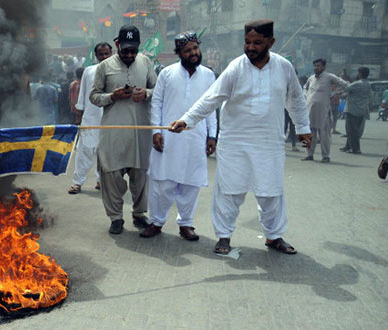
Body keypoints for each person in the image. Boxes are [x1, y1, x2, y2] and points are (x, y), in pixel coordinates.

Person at [170, 19, 312, 255]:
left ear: (271, 42)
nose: (250, 47)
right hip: (235, 142)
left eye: (257, 42)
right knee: (229, 191)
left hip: (269, 143)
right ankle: (224, 236)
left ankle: (274, 236)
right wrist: (187, 120)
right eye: (247, 42)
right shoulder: (236, 67)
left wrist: (303, 126)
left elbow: (295, 99)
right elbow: (211, 98)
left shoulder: (284, 67)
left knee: (271, 191)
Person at [140, 32, 217, 241]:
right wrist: (156, 131)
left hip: (196, 137)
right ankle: (156, 222)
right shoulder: (167, 73)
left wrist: (212, 136)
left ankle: (186, 224)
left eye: (195, 48)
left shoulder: (209, 75)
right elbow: (156, 103)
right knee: (163, 184)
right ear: (179, 53)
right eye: (187, 50)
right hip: (168, 138)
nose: (193, 53)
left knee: (191, 184)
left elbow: (211, 108)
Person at [89, 24, 157, 234]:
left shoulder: (145, 62)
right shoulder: (104, 67)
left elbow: (158, 90)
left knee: (141, 174)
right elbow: (94, 96)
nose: (129, 54)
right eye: (125, 49)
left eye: (133, 50)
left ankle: (139, 214)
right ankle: (116, 217)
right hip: (114, 131)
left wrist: (145, 93)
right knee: (111, 174)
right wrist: (113, 96)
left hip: (140, 130)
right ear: (117, 45)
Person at [67, 43, 113, 195]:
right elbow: (82, 97)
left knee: (105, 153)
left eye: (107, 54)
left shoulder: (118, 71)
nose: (104, 57)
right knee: (84, 150)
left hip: (109, 119)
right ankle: (77, 182)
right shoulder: (89, 71)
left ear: (111, 53)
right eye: (101, 54)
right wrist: (79, 117)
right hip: (90, 118)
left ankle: (101, 180)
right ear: (96, 56)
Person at [301, 59, 347, 163]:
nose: (316, 68)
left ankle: (325, 156)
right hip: (310, 111)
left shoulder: (329, 77)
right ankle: (309, 155)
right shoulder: (311, 78)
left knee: (324, 135)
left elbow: (344, 84)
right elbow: (305, 88)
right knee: (309, 134)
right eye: (315, 66)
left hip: (323, 112)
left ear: (323, 67)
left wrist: (336, 93)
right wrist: (306, 95)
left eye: (318, 66)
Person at [339, 67, 370, 154]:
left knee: (352, 130)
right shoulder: (368, 84)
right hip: (361, 110)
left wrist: (343, 79)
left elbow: (346, 88)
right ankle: (348, 146)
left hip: (352, 110)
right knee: (353, 129)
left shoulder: (357, 84)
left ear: (360, 73)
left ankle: (356, 149)